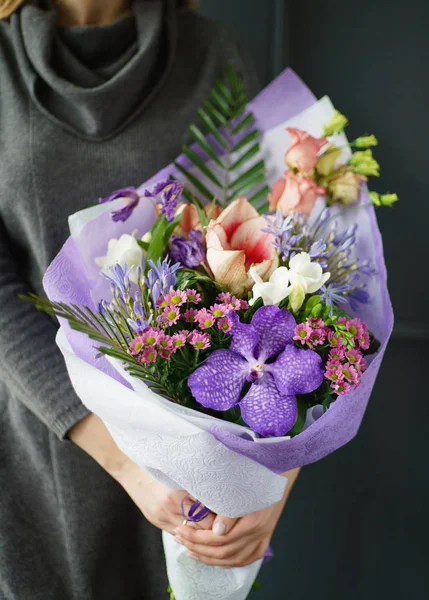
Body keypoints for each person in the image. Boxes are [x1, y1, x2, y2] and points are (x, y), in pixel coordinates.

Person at [0, 1, 299, 597]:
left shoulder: (214, 53)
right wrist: (131, 469)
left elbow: (282, 262)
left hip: (200, 462)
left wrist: (272, 484)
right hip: (45, 450)